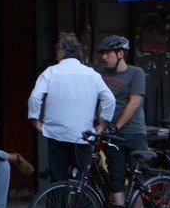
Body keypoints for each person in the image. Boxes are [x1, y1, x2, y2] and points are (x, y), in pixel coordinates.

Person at [28, 32, 115, 182]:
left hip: (56, 133)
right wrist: (102, 125)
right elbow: (110, 100)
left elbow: (35, 97)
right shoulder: (92, 75)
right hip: (83, 135)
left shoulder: (50, 72)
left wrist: (35, 121)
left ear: (60, 52)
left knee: (58, 180)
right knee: (81, 181)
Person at [96, 35, 148, 207]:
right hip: (113, 136)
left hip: (134, 133)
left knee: (137, 179)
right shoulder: (100, 74)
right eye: (103, 54)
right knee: (116, 178)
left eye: (107, 53)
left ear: (120, 54)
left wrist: (116, 126)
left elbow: (135, 102)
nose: (104, 57)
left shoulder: (136, 73)